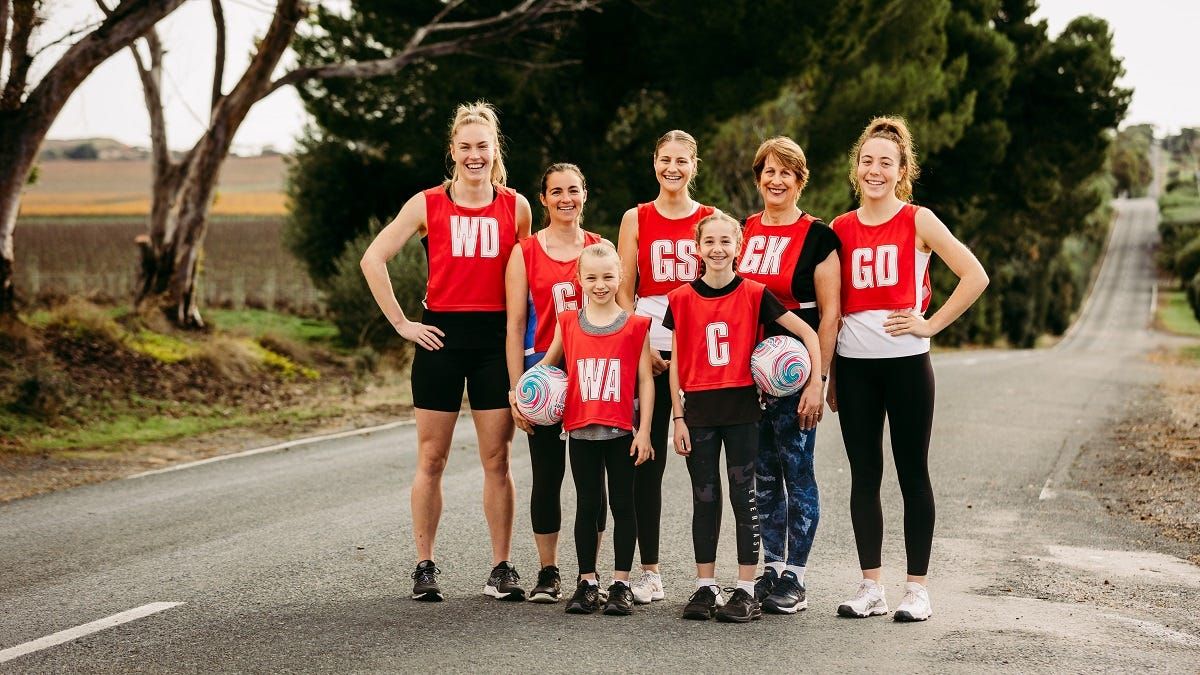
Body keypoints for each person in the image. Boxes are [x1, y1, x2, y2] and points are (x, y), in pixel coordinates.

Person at [360, 101, 533, 602]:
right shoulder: (427, 204)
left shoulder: (515, 206)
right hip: (439, 338)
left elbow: (529, 275)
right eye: (465, 147)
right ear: (453, 151)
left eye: (483, 146)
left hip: (493, 342)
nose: (474, 155)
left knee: (496, 459)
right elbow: (373, 258)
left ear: (494, 150)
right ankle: (424, 565)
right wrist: (402, 324)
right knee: (431, 457)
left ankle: (501, 567)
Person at [828, 116, 988, 622]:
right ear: (856, 168)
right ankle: (870, 586)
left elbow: (974, 275)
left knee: (913, 474)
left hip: (906, 368)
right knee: (863, 476)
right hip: (854, 371)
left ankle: (917, 589)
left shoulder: (918, 220)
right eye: (867, 161)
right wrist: (829, 371)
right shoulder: (840, 228)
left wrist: (930, 325)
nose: (875, 170)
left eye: (886, 163)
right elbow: (832, 306)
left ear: (901, 171)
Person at [664, 212, 823, 623]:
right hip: (698, 411)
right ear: (697, 248)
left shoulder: (755, 292)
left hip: (742, 411)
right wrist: (678, 416)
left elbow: (806, 333)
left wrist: (813, 380)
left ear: (739, 246)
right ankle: (705, 586)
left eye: (725, 241)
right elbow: (678, 360)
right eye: (709, 242)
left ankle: (747, 589)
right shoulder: (680, 297)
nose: (717, 249)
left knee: (743, 498)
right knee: (704, 498)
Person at [736, 136, 840, 614]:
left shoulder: (819, 237)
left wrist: (818, 381)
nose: (776, 181)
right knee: (760, 473)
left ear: (801, 180)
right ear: (758, 179)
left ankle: (796, 575)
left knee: (796, 470)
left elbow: (831, 315)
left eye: (787, 173)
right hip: (746, 369)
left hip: (797, 368)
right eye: (768, 172)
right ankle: (771, 567)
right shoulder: (742, 231)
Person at [615, 129, 717, 605]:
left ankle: (711, 577)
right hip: (649, 350)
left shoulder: (712, 219)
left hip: (698, 352)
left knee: (706, 467)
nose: (672, 168)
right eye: (664, 159)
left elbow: (721, 292)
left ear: (695, 166)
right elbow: (622, 291)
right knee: (646, 462)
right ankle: (650, 572)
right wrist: (640, 346)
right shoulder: (636, 218)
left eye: (681, 160)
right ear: (653, 162)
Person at [534, 242, 656, 616]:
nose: (600, 285)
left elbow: (646, 381)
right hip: (581, 432)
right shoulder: (568, 322)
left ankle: (620, 583)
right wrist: (523, 394)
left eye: (607, 277)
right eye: (591, 278)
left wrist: (645, 430)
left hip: (621, 432)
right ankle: (587, 582)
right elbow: (548, 367)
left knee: (623, 505)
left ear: (620, 276)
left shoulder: (636, 325)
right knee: (587, 506)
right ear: (579, 280)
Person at [504, 163, 604, 603]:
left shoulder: (600, 248)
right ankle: (548, 571)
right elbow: (514, 325)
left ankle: (589, 573)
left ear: (585, 194)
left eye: (574, 190)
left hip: (592, 372)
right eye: (557, 191)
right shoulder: (524, 252)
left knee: (591, 477)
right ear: (542, 199)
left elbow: (619, 313)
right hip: (542, 379)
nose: (567, 198)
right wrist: (515, 390)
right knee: (547, 474)